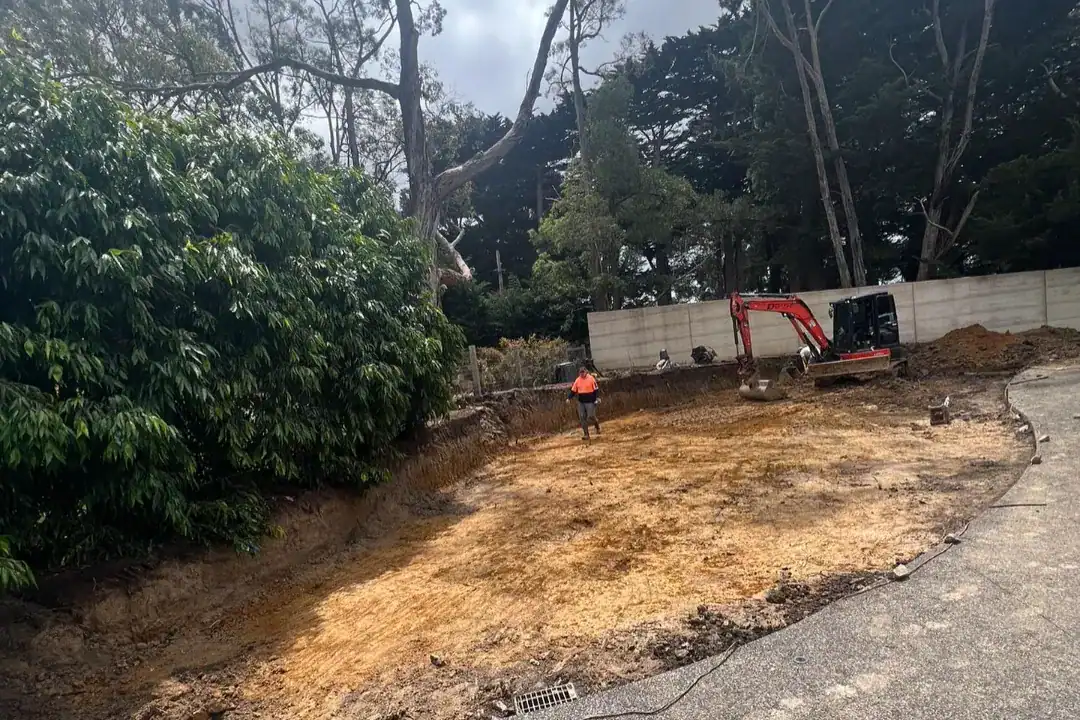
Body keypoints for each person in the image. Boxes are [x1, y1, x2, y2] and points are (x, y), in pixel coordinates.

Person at [566, 366, 601, 440]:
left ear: (586, 372)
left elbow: (596, 389)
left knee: (591, 416)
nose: (582, 374)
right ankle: (586, 434)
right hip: (581, 402)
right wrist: (569, 398)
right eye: (580, 372)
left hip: (591, 401)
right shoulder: (577, 380)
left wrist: (597, 398)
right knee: (582, 417)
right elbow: (573, 391)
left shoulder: (591, 379)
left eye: (583, 372)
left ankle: (597, 425)